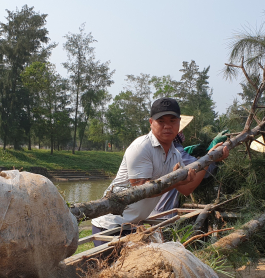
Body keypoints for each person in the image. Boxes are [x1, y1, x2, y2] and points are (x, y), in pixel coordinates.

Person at [91, 98, 229, 244]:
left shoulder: (175, 154)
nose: (167, 126)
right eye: (161, 121)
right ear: (151, 123)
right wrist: (175, 180)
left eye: (172, 121)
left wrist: (209, 159)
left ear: (179, 123)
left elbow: (186, 188)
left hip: (133, 225)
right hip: (111, 224)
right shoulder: (142, 147)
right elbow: (141, 189)